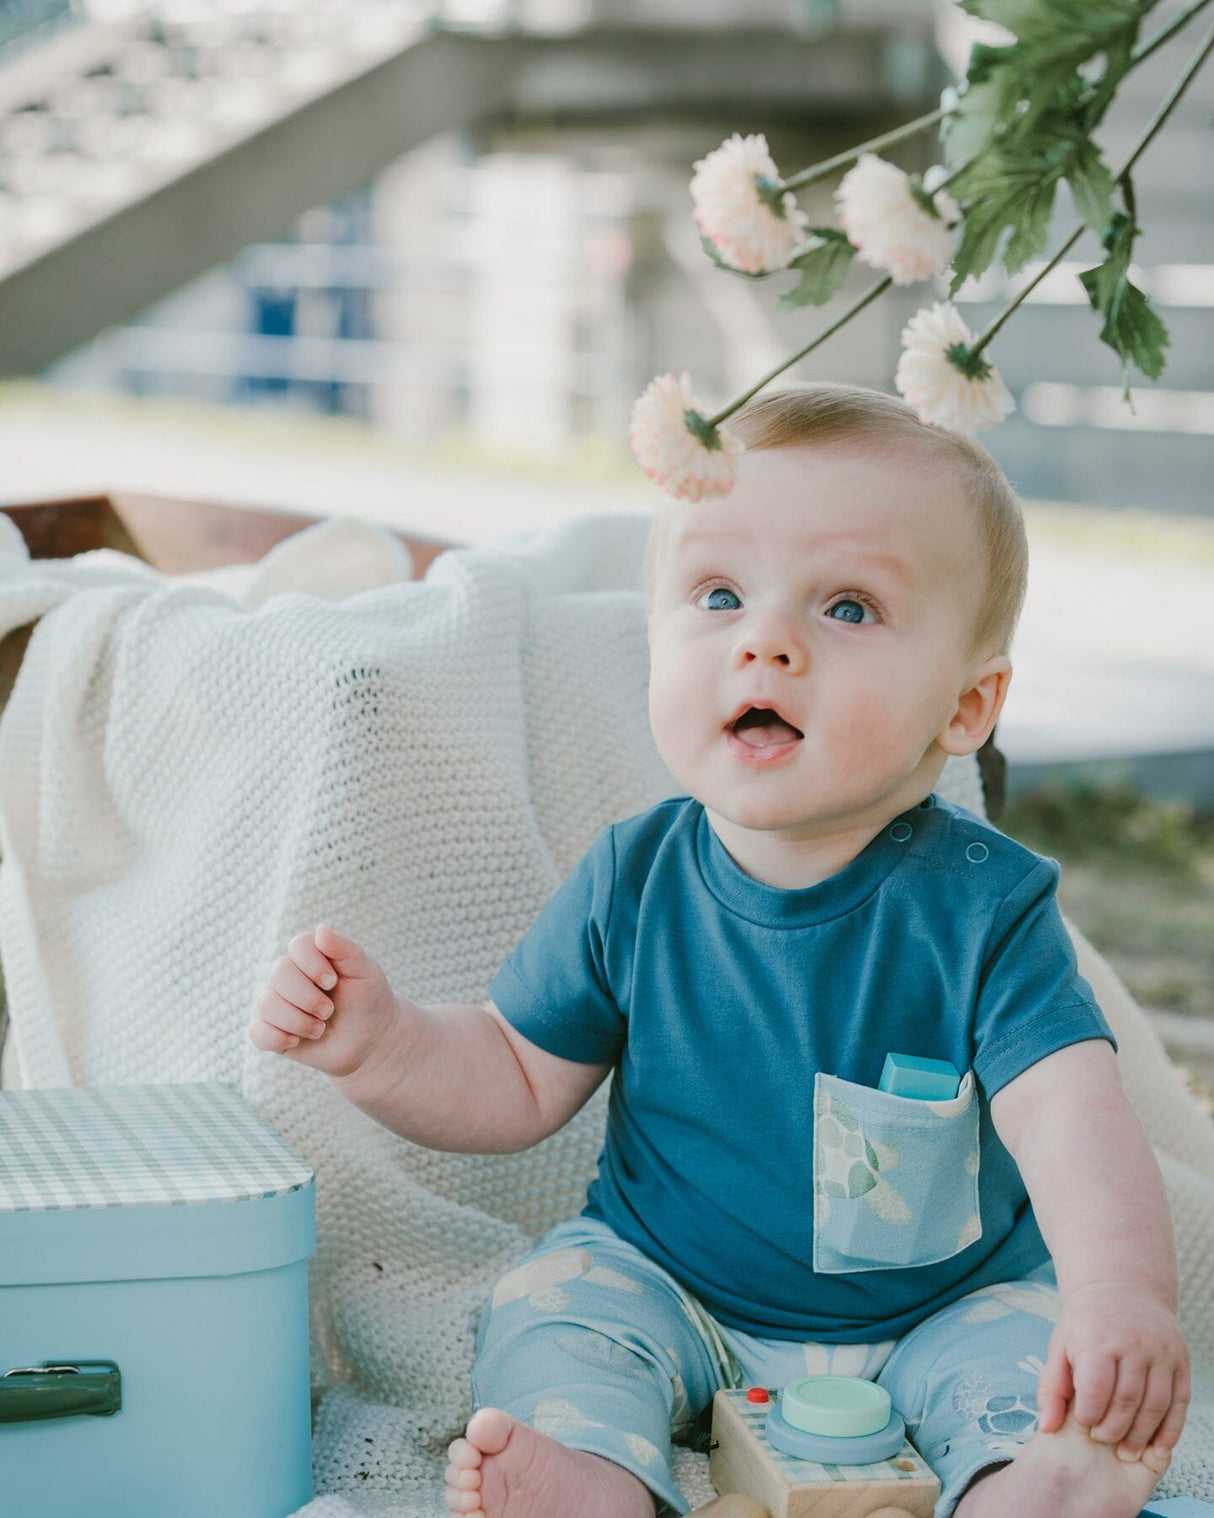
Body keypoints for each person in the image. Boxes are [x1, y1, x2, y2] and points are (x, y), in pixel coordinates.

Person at [249, 383, 1190, 1518]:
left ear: (964, 706)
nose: (766, 641)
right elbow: (511, 1072)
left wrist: (1118, 1294)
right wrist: (381, 1043)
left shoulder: (984, 908)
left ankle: (1021, 1485)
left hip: (942, 1307)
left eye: (845, 608)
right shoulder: (631, 881)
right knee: (552, 1305)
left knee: (1028, 1361)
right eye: (718, 594)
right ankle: (592, 1477)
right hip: (670, 1282)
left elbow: (1069, 1116)